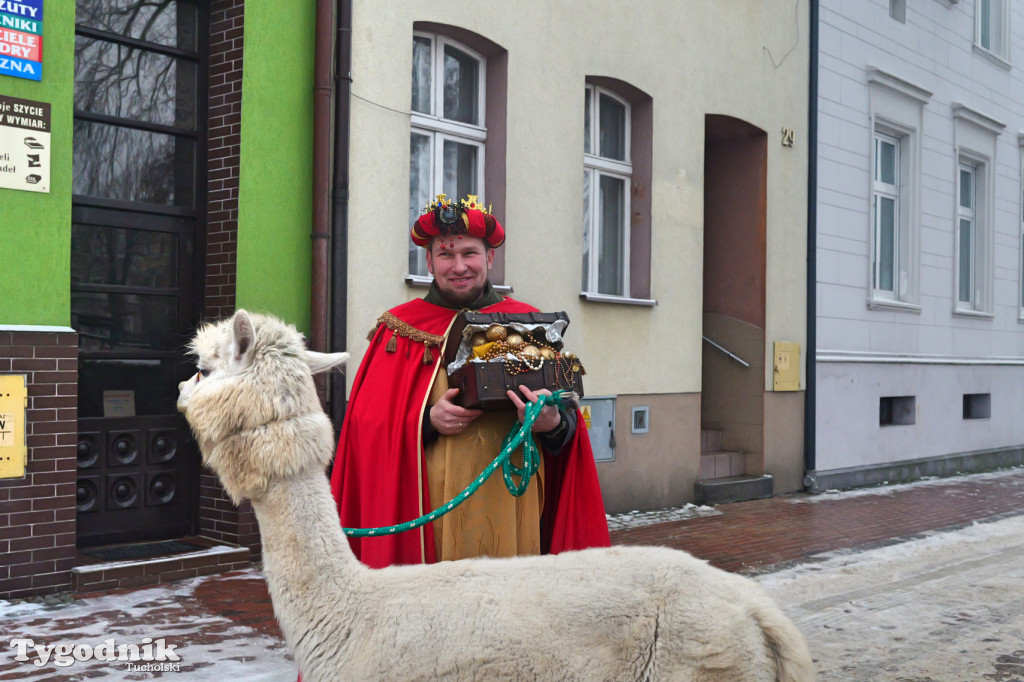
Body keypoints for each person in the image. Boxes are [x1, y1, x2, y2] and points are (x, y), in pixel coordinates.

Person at [330, 194, 610, 568]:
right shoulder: (397, 328)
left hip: (512, 505)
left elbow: (569, 420)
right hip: (428, 508)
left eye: (470, 253)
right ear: (429, 261)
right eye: (446, 255)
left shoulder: (529, 324)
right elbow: (363, 427)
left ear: (490, 258)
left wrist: (553, 423)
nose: (458, 266)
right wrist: (426, 421)